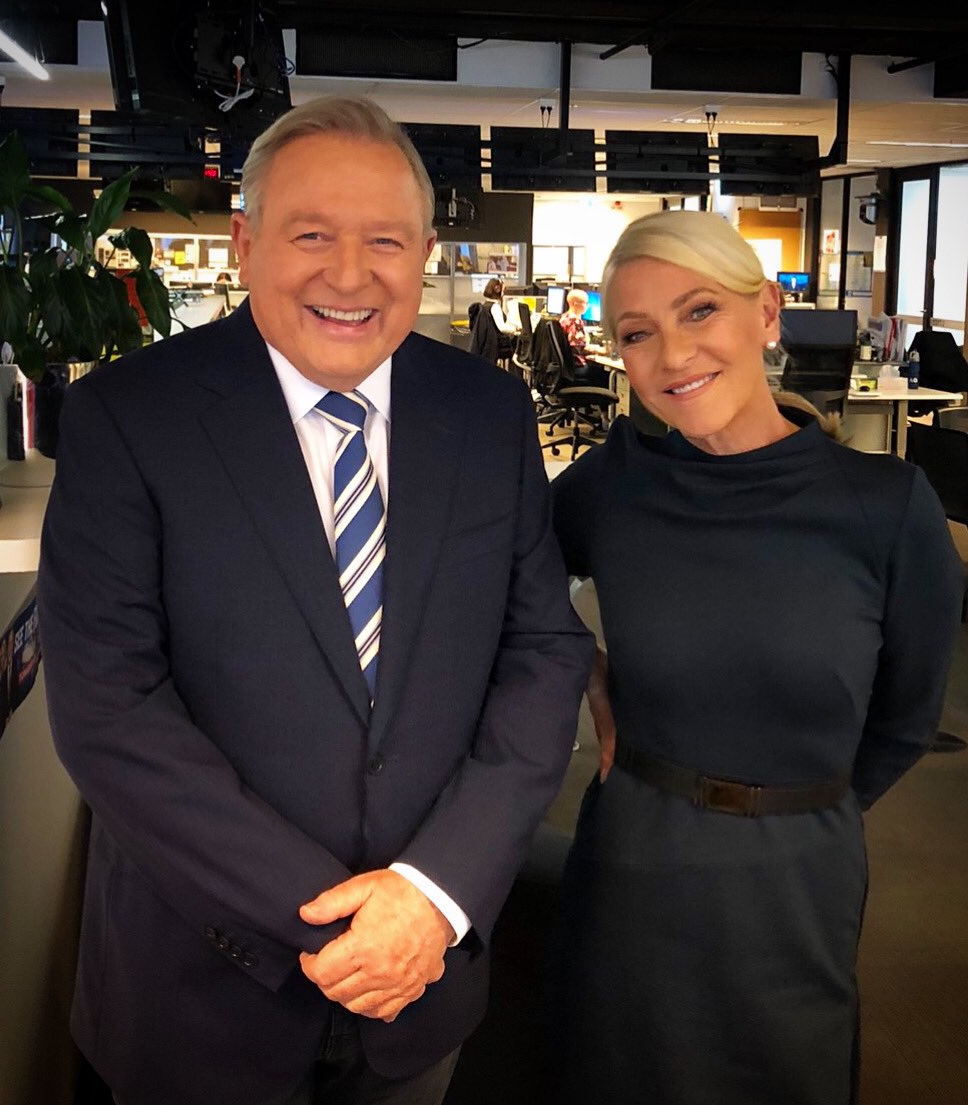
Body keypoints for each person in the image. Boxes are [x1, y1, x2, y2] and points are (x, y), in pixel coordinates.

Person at [38, 95, 594, 1105]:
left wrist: (429, 897)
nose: (349, 274)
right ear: (245, 243)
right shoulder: (129, 416)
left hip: (421, 985)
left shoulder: (487, 414)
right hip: (198, 988)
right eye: (310, 235)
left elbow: (543, 653)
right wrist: (349, 923)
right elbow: (109, 711)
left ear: (424, 253)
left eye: (384, 239)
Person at [549, 210, 963, 1105]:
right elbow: (499, 577)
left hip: (798, 872)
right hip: (635, 857)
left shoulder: (884, 505)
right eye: (637, 333)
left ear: (766, 313)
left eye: (699, 311)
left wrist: (800, 808)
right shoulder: (618, 484)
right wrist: (578, 659)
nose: (673, 354)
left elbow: (905, 720)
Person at [557, 288, 589, 365]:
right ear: (575, 303)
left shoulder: (564, 317)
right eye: (585, 303)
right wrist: (600, 351)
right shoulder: (575, 321)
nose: (587, 306)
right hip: (576, 364)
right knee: (602, 370)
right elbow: (578, 348)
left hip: (567, 364)